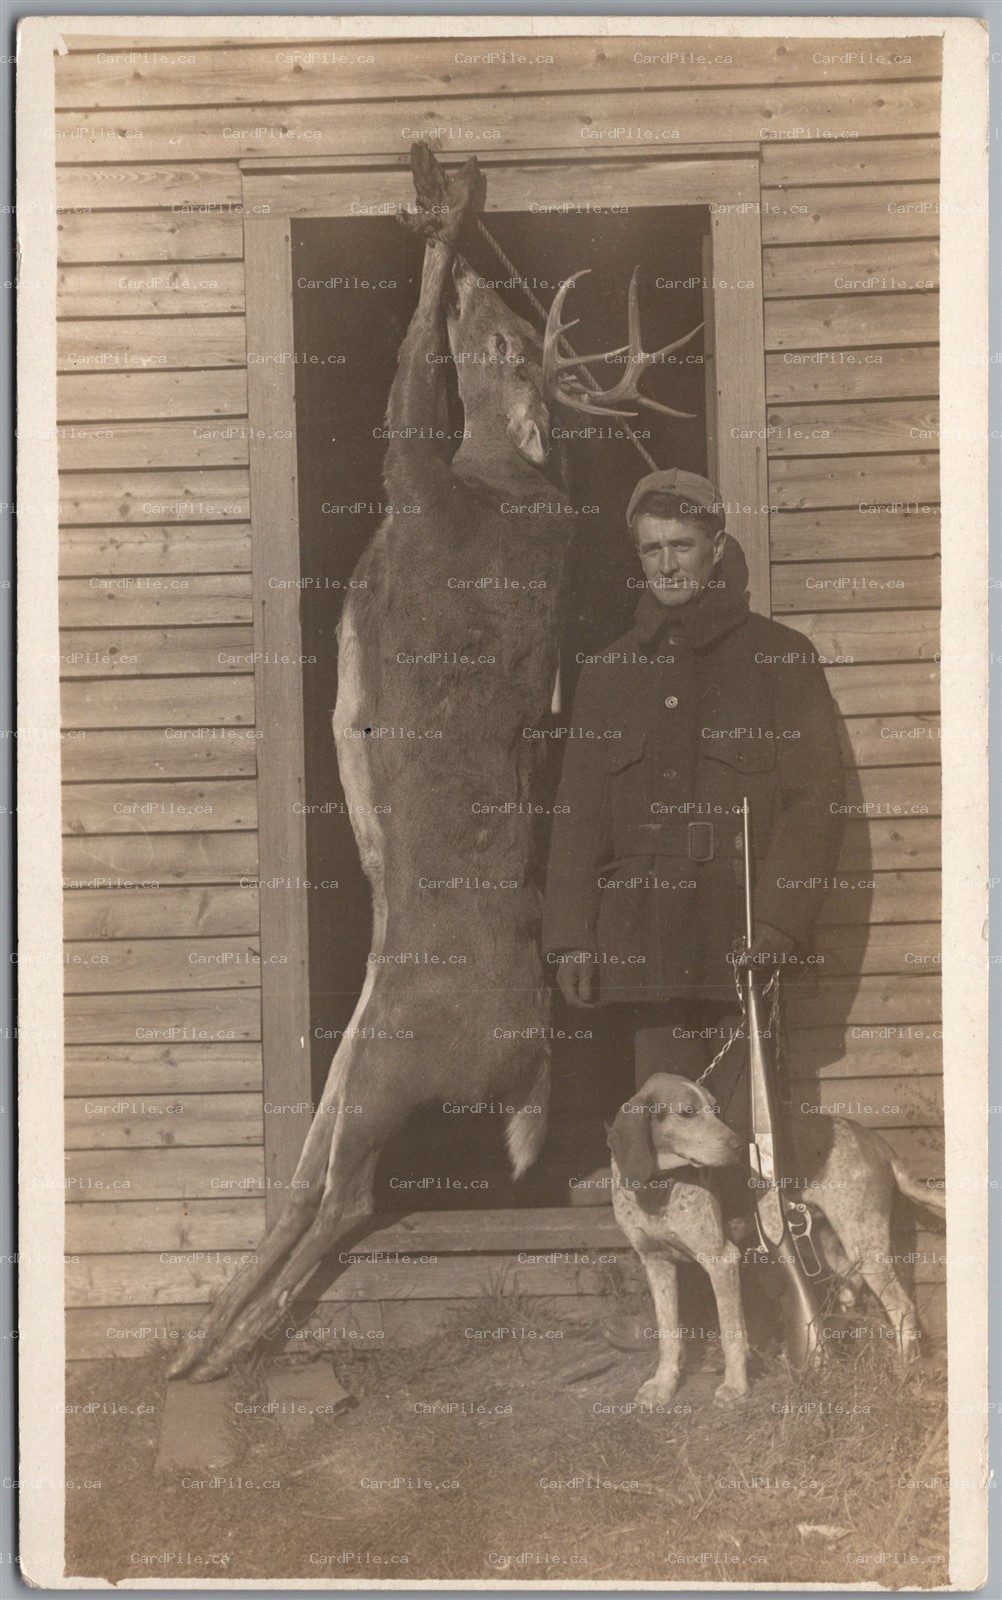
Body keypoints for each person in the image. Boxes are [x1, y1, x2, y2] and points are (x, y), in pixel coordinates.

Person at [542, 468, 846, 1341]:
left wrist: (782, 923)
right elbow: (577, 819)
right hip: (643, 945)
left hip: (742, 936)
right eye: (651, 552)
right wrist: (570, 940)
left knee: (749, 1132)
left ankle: (783, 1316)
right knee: (660, 1142)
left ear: (716, 547)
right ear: (637, 561)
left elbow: (814, 805)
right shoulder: (607, 673)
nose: (668, 565)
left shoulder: (780, 659)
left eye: (683, 546)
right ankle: (701, 1333)